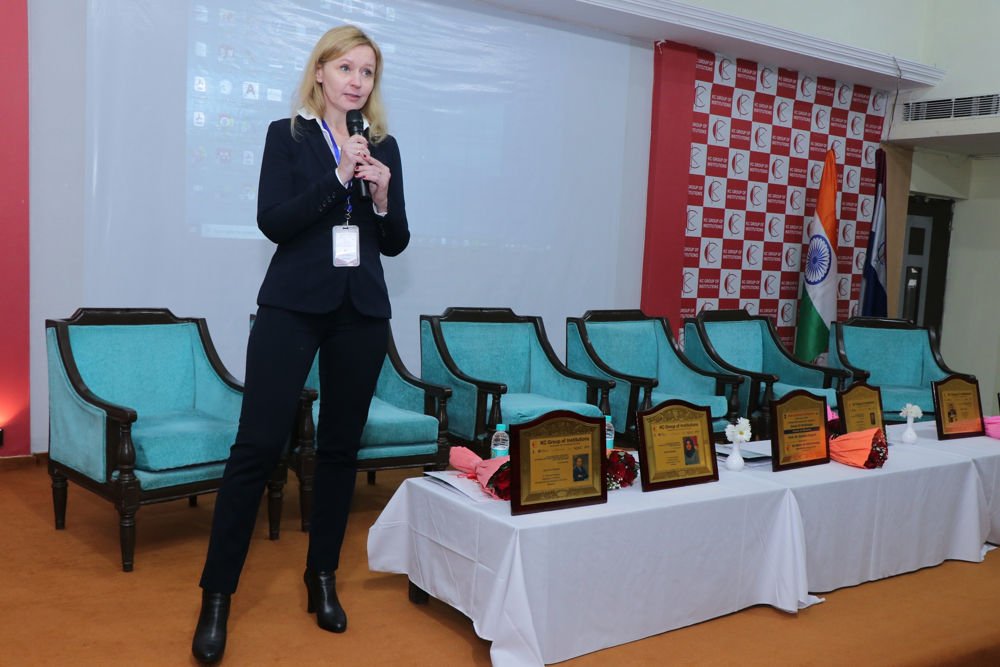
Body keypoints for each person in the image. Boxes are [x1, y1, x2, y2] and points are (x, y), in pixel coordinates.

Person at [192, 25, 409, 665]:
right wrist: (337, 177)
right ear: (319, 72)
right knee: (257, 446)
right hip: (292, 306)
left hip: (361, 312)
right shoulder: (285, 135)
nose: (356, 81)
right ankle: (216, 596)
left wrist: (382, 196)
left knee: (339, 451)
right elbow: (274, 221)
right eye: (345, 68)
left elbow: (395, 242)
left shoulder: (385, 145)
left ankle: (322, 578)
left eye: (367, 72)